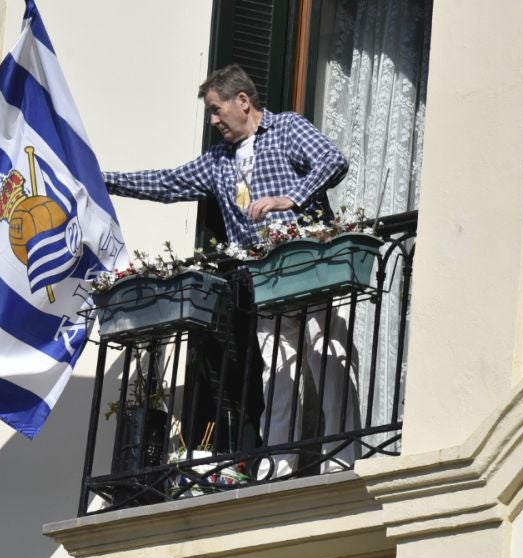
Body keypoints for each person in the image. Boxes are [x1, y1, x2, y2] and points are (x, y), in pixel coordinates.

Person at [103, 64, 358, 477]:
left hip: (312, 268)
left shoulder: (287, 128)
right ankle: (278, 466)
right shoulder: (218, 161)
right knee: (277, 377)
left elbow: (333, 160)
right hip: (266, 282)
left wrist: (288, 199)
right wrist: (103, 181)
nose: (214, 120)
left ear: (243, 101)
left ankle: (341, 460)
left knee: (328, 361)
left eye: (217, 109)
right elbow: (167, 183)